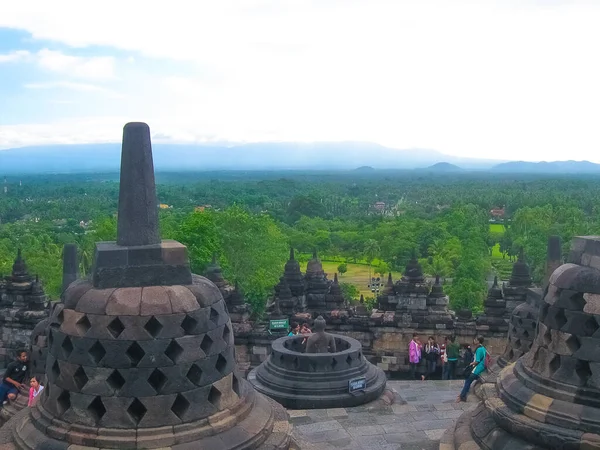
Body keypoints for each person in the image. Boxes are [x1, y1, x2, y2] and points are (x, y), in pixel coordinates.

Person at [458, 336, 486, 402]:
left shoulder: (479, 349)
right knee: (469, 380)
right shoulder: (483, 348)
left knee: (468, 380)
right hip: (481, 367)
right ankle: (462, 394)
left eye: (476, 339)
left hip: (477, 368)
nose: (474, 340)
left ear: (478, 341)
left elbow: (477, 361)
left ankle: (462, 396)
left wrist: (471, 364)